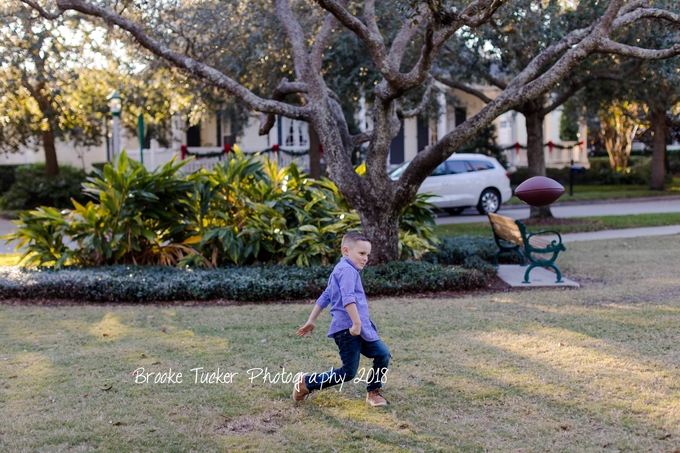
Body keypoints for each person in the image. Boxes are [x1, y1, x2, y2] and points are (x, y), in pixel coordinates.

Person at [292, 232, 391, 406]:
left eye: (367, 254)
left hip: (361, 327)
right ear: (346, 251)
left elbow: (325, 296)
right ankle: (306, 383)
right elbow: (348, 298)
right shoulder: (346, 270)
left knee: (382, 354)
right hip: (348, 330)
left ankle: (373, 391)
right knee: (348, 372)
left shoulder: (343, 268)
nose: (365, 258)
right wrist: (356, 323)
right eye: (361, 254)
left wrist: (312, 320)